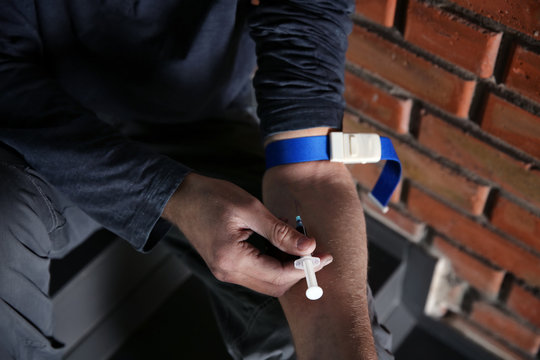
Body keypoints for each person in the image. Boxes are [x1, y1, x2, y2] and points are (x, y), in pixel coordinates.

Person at [0, 0, 393, 359]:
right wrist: (171, 195)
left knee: (323, 320)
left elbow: (309, 171)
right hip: (49, 127)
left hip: (203, 122)